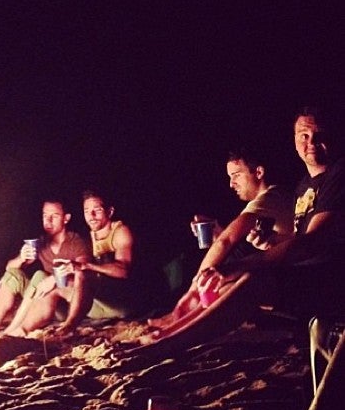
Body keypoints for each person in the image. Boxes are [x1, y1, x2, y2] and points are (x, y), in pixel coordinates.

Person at [141, 106, 344, 352]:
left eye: (319, 135)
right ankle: (171, 333)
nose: (311, 142)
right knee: (230, 282)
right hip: (306, 272)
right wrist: (273, 241)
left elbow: (313, 243)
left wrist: (226, 270)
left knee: (249, 279)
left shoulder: (337, 175)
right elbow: (302, 238)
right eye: (304, 135)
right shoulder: (304, 185)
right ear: (294, 139)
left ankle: (169, 343)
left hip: (330, 278)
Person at [156, 147, 293, 325]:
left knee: (221, 283)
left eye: (236, 175)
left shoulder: (271, 197)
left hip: (290, 281)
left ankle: (175, 328)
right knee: (224, 271)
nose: (231, 184)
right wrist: (216, 232)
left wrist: (193, 291)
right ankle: (178, 325)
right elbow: (231, 243)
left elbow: (226, 241)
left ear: (258, 172)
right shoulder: (273, 199)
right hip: (280, 274)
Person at [6, 190, 135, 335]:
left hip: (120, 304)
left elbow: (123, 270)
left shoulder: (120, 232)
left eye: (97, 211)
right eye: (87, 211)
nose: (91, 216)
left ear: (110, 211)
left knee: (81, 273)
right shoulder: (90, 234)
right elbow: (11, 267)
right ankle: (19, 330)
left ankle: (69, 325)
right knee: (47, 283)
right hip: (96, 304)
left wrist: (85, 266)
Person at [0, 198, 90, 336]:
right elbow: (10, 268)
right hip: (42, 295)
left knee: (41, 276)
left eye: (54, 216)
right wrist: (22, 258)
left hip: (68, 302)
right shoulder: (41, 242)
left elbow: (82, 270)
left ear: (66, 218)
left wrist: (52, 279)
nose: (48, 220)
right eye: (45, 215)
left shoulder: (76, 242)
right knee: (13, 275)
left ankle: (14, 331)